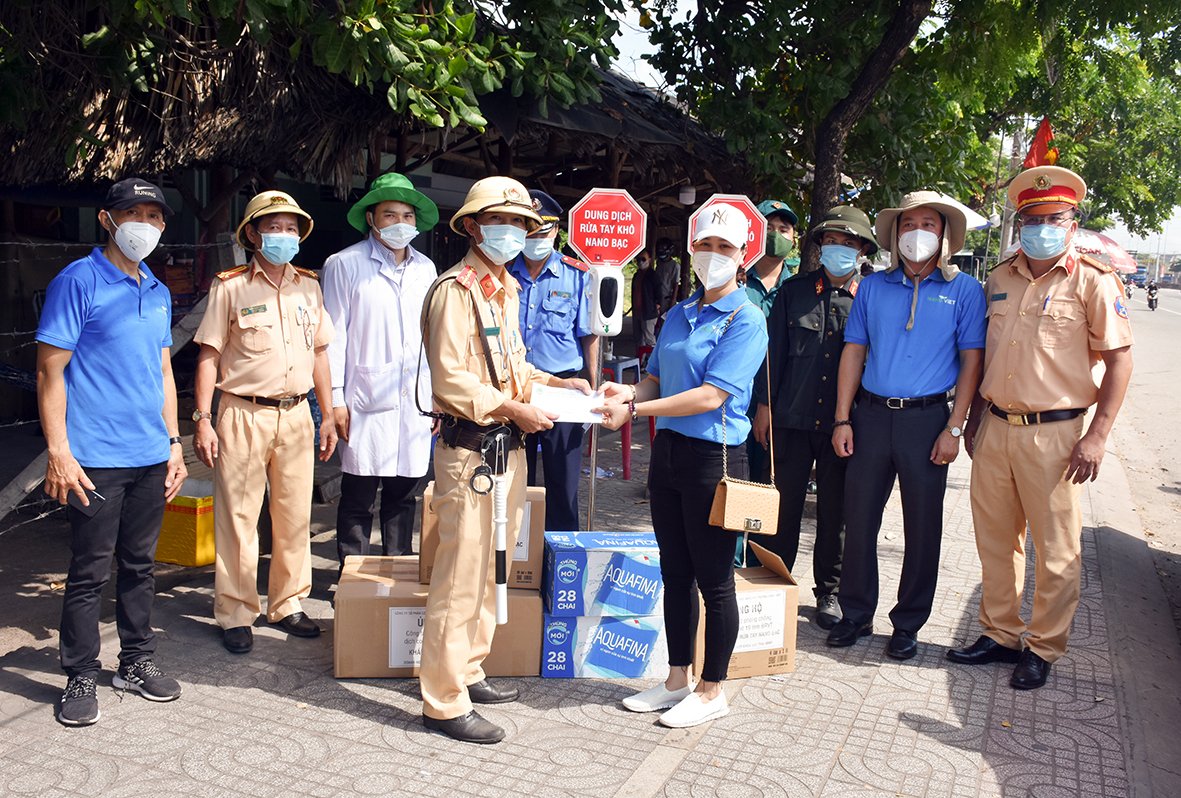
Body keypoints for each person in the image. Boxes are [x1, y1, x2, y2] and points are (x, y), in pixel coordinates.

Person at [419, 176, 591, 744]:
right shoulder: (456, 290)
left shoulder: (504, 289)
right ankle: (442, 702)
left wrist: (555, 384)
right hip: (471, 451)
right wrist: (515, 408)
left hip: (504, 452)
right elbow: (452, 379)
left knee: (488, 570)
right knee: (459, 578)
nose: (514, 232)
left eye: (522, 223)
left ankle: (468, 670)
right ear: (471, 225)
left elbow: (513, 366)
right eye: (503, 221)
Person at [949, 166, 1133, 689]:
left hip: (1057, 435)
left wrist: (1096, 436)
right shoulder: (1000, 277)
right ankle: (1000, 633)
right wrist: (974, 422)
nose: (1041, 228)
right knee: (995, 540)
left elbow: (1120, 361)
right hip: (996, 428)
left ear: (1073, 223)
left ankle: (1044, 647)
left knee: (1055, 549)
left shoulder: (1093, 281)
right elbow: (984, 354)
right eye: (1032, 219)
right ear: (1019, 223)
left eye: (1053, 218)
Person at [598, 202, 767, 729]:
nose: (713, 256)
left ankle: (712, 688)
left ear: (742, 257)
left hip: (713, 458)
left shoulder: (746, 318)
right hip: (667, 454)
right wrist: (628, 391)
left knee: (715, 580)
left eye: (725, 248)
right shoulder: (679, 312)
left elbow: (711, 396)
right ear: (692, 251)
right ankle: (676, 678)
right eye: (705, 246)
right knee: (675, 573)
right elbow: (657, 379)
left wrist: (635, 409)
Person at [36, 177, 187, 726]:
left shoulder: (157, 287)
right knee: (89, 569)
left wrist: (173, 444)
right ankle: (79, 670)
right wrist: (59, 451)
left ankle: (136, 661)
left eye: (154, 215)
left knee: (141, 564)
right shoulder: (77, 281)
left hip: (150, 453)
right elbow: (49, 370)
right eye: (133, 213)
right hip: (95, 457)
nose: (144, 224)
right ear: (108, 219)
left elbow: (165, 372)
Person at [826, 191, 986, 661]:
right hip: (871, 417)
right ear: (896, 235)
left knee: (923, 527)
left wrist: (955, 428)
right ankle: (855, 614)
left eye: (929, 224)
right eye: (908, 223)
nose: (917, 232)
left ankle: (908, 623)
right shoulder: (873, 287)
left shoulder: (964, 290)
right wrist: (842, 417)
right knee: (858, 521)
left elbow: (971, 360)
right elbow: (853, 352)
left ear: (945, 235)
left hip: (928, 420)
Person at [192, 190, 337, 655]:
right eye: (274, 227)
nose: (284, 236)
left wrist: (328, 413)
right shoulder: (230, 286)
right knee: (238, 517)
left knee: (294, 514)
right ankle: (236, 610)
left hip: (296, 413)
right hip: (241, 412)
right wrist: (201, 419)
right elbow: (209, 356)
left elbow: (319, 353)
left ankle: (288, 602)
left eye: (291, 228)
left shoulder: (308, 286)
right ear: (253, 234)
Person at [751, 206, 877, 630]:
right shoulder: (795, 292)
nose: (838, 249)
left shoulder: (872, 297)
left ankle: (830, 592)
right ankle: (775, 578)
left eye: (848, 243)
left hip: (846, 424)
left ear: (862, 250)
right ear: (820, 247)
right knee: (782, 505)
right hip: (790, 416)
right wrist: (763, 408)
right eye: (831, 242)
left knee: (835, 512)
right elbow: (774, 354)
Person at [322, 173, 439, 567]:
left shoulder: (427, 269)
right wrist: (335, 400)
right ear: (371, 218)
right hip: (363, 399)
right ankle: (351, 576)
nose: (400, 223)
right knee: (358, 494)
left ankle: (397, 572)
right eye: (390, 214)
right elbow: (333, 336)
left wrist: (436, 397)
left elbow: (434, 337)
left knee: (404, 494)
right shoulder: (344, 264)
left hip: (417, 401)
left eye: (408, 215)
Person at [507, 189, 599, 531]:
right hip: (515, 387)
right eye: (528, 234)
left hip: (563, 385)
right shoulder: (503, 273)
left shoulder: (577, 275)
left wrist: (593, 382)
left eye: (542, 234)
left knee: (563, 480)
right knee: (515, 475)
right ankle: (518, 553)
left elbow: (589, 333)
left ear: (556, 232)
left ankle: (563, 556)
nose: (535, 241)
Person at [741, 200, 800, 485]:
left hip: (779, 405)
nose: (775, 234)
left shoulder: (798, 290)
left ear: (793, 239)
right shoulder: (734, 282)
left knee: (767, 485)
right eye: (767, 227)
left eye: (783, 229)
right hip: (734, 397)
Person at [631, 249, 659, 360]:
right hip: (637, 311)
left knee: (649, 339)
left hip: (649, 312)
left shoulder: (653, 275)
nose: (640, 262)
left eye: (643, 259)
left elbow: (659, 292)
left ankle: (653, 363)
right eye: (638, 259)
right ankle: (639, 363)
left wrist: (657, 305)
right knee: (638, 339)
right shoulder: (636, 275)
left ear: (649, 260)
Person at [654, 237, 681, 318]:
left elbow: (676, 284)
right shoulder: (659, 263)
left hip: (667, 300)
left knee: (664, 322)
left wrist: (672, 301)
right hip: (656, 298)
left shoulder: (675, 266)